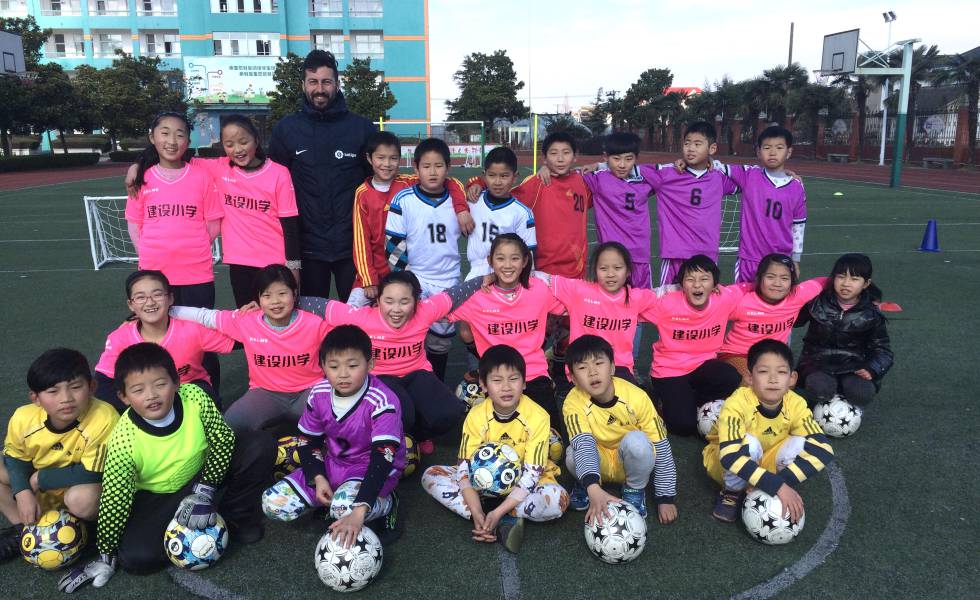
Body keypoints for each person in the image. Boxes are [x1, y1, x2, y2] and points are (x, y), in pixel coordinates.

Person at [58, 343, 273, 592]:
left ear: (176, 382)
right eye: (138, 390)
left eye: (160, 384)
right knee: (135, 559)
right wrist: (106, 553)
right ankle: (197, 510)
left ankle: (234, 516)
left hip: (203, 473)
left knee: (259, 445)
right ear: (124, 397)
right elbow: (115, 498)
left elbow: (223, 440)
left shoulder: (194, 395)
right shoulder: (123, 440)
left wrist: (205, 490)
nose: (151, 395)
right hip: (160, 495)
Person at [300, 271, 485, 454]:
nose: (396, 309)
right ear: (378, 300)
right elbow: (322, 306)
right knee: (404, 414)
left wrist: (485, 279)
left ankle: (418, 436)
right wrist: (285, 300)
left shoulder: (425, 310)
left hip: (417, 373)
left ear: (416, 302)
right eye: (388, 301)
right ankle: (394, 436)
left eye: (404, 302)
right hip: (380, 378)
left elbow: (456, 294)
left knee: (450, 411)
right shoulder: (361, 317)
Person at [261, 325, 403, 547]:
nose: (343, 374)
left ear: (370, 364)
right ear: (323, 366)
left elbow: (382, 457)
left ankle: (386, 503)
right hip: (334, 463)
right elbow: (308, 441)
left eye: (353, 365)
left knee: (344, 509)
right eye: (334, 366)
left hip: (372, 467)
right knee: (273, 503)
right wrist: (318, 477)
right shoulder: (318, 394)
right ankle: (334, 497)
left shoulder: (383, 401)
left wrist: (359, 510)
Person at [421, 345, 568, 554]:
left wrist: (499, 510)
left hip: (527, 481)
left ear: (525, 383)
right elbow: (464, 468)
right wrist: (476, 511)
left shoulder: (538, 416)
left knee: (557, 501)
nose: (506, 387)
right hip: (481, 484)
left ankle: (504, 513)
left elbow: (533, 473)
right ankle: (486, 514)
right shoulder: (476, 415)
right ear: (483, 385)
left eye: (514, 379)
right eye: (497, 380)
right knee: (430, 476)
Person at [125, 111, 224, 391]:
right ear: (152, 137)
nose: (172, 140)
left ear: (188, 140)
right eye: (165, 133)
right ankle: (162, 393)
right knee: (156, 336)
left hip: (196, 273)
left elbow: (213, 222)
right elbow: (135, 223)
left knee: (201, 338)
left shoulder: (201, 177)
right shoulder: (142, 178)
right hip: (155, 273)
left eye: (180, 134)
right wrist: (149, 254)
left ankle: (209, 396)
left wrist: (191, 248)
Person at [268, 50, 375, 302]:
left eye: (326, 82)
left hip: (352, 247)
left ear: (337, 84)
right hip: (307, 249)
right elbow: (271, 186)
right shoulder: (286, 130)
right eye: (313, 82)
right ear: (303, 85)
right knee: (310, 322)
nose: (320, 89)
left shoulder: (361, 129)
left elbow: (380, 183)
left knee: (356, 320)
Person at [171, 265, 330, 433]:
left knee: (328, 422)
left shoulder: (315, 323)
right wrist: (167, 309)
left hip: (309, 390)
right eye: (267, 295)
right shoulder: (247, 320)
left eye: (282, 294)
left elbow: (348, 333)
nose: (275, 301)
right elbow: (205, 316)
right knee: (229, 426)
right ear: (258, 299)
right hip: (265, 393)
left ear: (295, 294)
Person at [0, 349, 118, 562]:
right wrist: (23, 491)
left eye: (75, 387)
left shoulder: (104, 417)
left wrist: (40, 479)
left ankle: (84, 531)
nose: (66, 398)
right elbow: (16, 458)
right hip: (38, 489)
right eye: (53, 391)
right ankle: (24, 530)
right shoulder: (23, 418)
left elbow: (95, 471)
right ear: (35, 398)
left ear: (92, 386)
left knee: (81, 499)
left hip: (78, 489)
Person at [703, 339, 834, 522]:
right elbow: (730, 457)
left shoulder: (796, 403)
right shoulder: (737, 403)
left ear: (792, 379)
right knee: (749, 443)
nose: (773, 379)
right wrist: (777, 486)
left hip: (768, 462)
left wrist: (780, 481)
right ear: (749, 377)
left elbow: (823, 450)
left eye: (781, 372)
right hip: (724, 463)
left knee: (804, 444)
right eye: (764, 372)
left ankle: (765, 484)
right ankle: (732, 493)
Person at [450, 234, 565, 435]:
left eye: (514, 258)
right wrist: (479, 281)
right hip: (495, 377)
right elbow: (440, 309)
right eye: (500, 258)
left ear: (525, 261)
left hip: (533, 373)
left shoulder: (538, 289)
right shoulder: (478, 295)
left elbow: (571, 305)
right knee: (498, 440)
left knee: (552, 441)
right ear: (490, 261)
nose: (508, 265)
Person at [350, 131, 473, 308]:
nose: (387, 164)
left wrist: (462, 208)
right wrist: (368, 278)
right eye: (381, 158)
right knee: (351, 314)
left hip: (407, 269)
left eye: (393, 158)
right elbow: (360, 241)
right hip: (374, 272)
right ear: (369, 159)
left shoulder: (408, 183)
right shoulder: (362, 194)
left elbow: (450, 182)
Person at [562, 336, 677, 523]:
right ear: (573, 379)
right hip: (598, 461)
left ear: (613, 368)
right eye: (582, 368)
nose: (592, 372)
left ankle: (634, 489)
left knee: (638, 442)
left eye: (599, 363)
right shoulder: (573, 402)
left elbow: (661, 445)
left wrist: (665, 497)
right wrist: (592, 487)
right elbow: (583, 444)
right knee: (572, 454)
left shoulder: (637, 397)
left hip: (628, 463)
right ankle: (587, 485)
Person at [384, 138, 466, 381]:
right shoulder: (404, 200)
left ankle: (436, 384)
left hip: (448, 279)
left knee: (440, 343)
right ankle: (408, 383)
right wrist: (406, 282)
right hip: (417, 278)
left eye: (438, 166)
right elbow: (394, 246)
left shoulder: (458, 200)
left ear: (448, 168)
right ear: (416, 168)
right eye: (426, 166)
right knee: (410, 336)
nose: (432, 172)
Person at [93, 270, 234, 410]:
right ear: (131, 304)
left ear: (171, 298)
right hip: (146, 402)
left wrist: (253, 318)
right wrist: (136, 410)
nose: (150, 302)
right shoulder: (120, 338)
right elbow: (103, 384)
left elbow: (241, 338)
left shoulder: (192, 330)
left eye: (157, 294)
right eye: (140, 297)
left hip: (189, 394)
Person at [641, 255, 745, 436]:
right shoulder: (666, 303)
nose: (697, 285)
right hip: (669, 370)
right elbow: (634, 303)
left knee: (730, 377)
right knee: (683, 427)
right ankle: (665, 402)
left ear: (714, 285)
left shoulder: (724, 298)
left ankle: (689, 401)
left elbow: (748, 288)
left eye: (704, 279)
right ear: (682, 285)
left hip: (703, 366)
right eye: (690, 279)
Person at [468, 131, 592, 279]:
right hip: (546, 270)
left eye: (566, 153)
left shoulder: (583, 183)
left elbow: (615, 174)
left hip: (577, 270)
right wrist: (479, 182)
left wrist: (599, 164)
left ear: (575, 156)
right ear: (544, 158)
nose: (560, 159)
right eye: (553, 153)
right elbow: (503, 193)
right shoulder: (537, 183)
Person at [631, 121, 738, 286]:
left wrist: (786, 175)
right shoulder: (668, 174)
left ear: (712, 148)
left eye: (697, 144)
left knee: (703, 300)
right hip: (675, 252)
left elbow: (752, 181)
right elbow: (628, 167)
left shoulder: (718, 178)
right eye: (687, 143)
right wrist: (601, 165)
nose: (691, 148)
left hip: (706, 253)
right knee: (669, 299)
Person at [541, 242, 663, 384]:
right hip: (583, 365)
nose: (610, 274)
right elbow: (545, 280)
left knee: (626, 403)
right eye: (603, 268)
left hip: (620, 367)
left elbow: (663, 296)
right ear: (595, 270)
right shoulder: (580, 291)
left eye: (617, 268)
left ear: (628, 271)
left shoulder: (636, 298)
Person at [795, 253, 893, 406]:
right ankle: (816, 407)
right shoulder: (816, 302)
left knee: (861, 393)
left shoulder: (871, 314)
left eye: (854, 279)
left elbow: (883, 350)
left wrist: (872, 368)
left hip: (853, 366)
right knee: (820, 388)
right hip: (816, 362)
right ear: (833, 278)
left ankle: (843, 408)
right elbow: (793, 320)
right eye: (841, 277)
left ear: (866, 284)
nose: (846, 283)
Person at [717, 126, 807, 283]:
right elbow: (717, 166)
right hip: (750, 258)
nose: (772, 152)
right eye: (767, 148)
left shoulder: (797, 187)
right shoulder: (750, 174)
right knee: (743, 302)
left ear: (789, 152)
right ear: (758, 152)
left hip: (781, 260)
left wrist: (796, 260)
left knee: (775, 303)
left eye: (779, 148)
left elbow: (799, 226)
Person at [718, 254, 827, 382]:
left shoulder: (797, 296)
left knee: (785, 384)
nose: (777, 283)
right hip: (736, 354)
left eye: (784, 278)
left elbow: (823, 281)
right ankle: (720, 401)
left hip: (772, 356)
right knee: (750, 383)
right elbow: (717, 300)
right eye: (770, 277)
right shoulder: (743, 299)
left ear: (792, 281)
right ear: (759, 278)